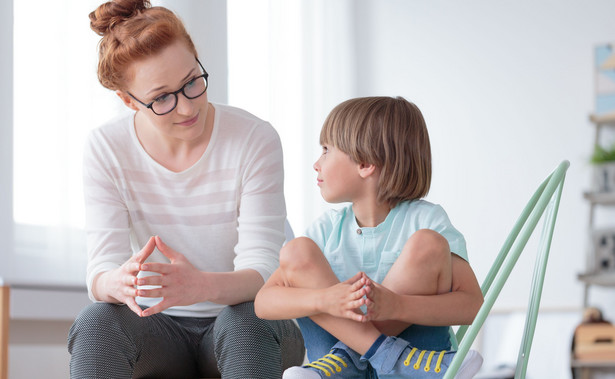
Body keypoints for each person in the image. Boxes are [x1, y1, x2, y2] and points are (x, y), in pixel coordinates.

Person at [67, 0, 305, 378]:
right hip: (159, 332)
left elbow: (262, 270)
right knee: (97, 322)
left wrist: (201, 286)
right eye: (162, 98)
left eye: (192, 81)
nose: (186, 107)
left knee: (245, 319)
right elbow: (100, 273)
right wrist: (120, 281)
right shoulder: (106, 148)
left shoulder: (254, 138)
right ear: (129, 101)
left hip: (247, 321)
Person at [255, 96, 485, 378]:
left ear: (365, 163)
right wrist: (325, 299)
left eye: (326, 150)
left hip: (410, 367)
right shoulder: (327, 229)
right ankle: (388, 356)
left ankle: (353, 359)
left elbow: (472, 306)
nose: (317, 164)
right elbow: (263, 303)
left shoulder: (426, 221)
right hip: (366, 368)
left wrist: (397, 305)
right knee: (296, 251)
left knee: (428, 243)